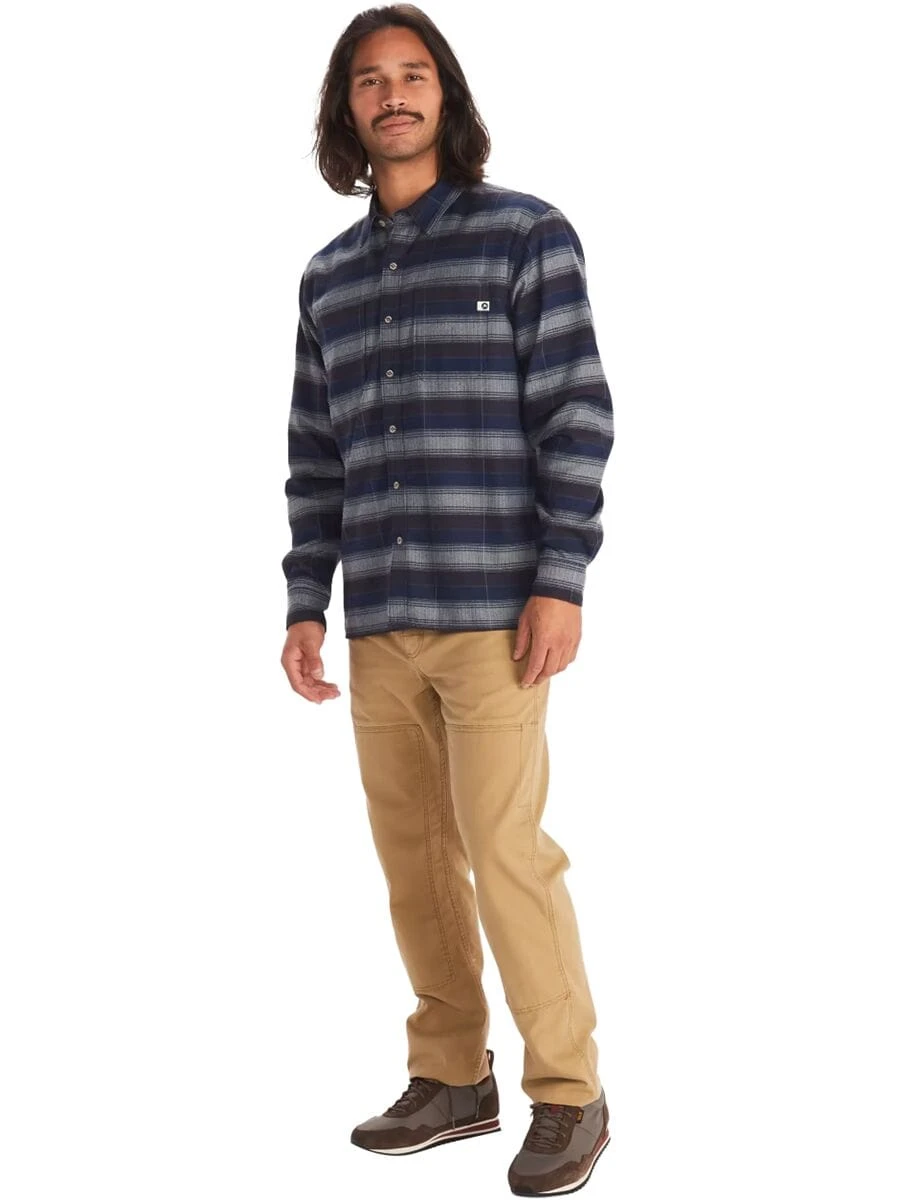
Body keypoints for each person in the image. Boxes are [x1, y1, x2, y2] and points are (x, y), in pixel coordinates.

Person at [279, 6, 615, 1194]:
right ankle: (452, 1075)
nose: (393, 94)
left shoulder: (525, 235)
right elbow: (315, 454)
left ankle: (569, 1091)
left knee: (505, 850)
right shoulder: (327, 279)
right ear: (347, 110)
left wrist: (560, 580)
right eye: (370, 80)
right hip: (379, 620)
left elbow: (576, 412)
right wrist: (305, 601)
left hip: (495, 613)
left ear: (446, 95)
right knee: (414, 859)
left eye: (413, 74)